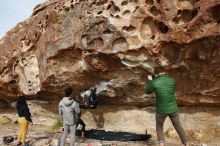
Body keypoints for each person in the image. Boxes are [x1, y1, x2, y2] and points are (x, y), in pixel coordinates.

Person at [145, 67, 189, 146]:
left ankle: (162, 144)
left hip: (161, 110)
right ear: (165, 72)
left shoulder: (154, 82)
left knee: (159, 127)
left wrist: (150, 80)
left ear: (156, 73)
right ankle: (186, 144)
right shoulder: (172, 80)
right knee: (178, 127)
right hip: (173, 108)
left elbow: (147, 91)